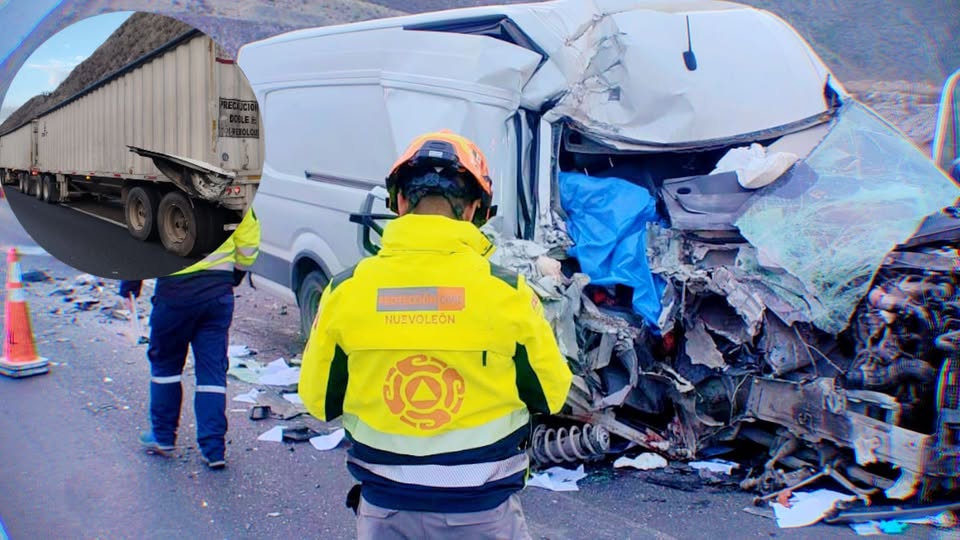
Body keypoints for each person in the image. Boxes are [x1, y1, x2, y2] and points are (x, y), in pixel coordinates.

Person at [299, 131, 573, 539]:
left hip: (386, 510)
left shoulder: (346, 291)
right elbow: (551, 395)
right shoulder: (508, 293)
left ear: (400, 203)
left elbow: (319, 400)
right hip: (481, 512)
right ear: (475, 211)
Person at [120, 206, 260, 469]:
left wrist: (130, 283)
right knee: (212, 371)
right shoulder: (233, 194)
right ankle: (213, 448)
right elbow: (248, 246)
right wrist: (233, 275)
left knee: (166, 365)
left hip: (175, 293)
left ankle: (162, 437)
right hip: (217, 295)